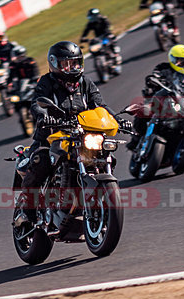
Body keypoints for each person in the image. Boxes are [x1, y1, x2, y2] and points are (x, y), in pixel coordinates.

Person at [15, 41, 123, 225]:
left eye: (75, 62)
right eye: (66, 63)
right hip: (50, 135)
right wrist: (43, 115)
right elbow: (37, 103)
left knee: (105, 154)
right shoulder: (46, 82)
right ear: (54, 64)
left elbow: (99, 105)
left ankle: (93, 196)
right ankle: (28, 212)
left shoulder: (85, 82)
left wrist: (118, 120)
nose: (71, 67)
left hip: (82, 132)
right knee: (39, 161)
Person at [126, 44, 184, 152]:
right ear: (173, 60)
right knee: (144, 111)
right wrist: (154, 80)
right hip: (161, 100)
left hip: (182, 104)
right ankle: (136, 138)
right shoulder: (163, 68)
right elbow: (153, 77)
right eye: (181, 61)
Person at [79, 8, 122, 72]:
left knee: (111, 39)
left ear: (96, 15)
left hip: (106, 35)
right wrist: (83, 38)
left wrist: (108, 32)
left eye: (92, 17)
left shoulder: (103, 19)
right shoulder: (91, 23)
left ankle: (115, 54)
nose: (92, 19)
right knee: (94, 46)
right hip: (98, 37)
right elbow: (86, 31)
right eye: (91, 17)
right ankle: (100, 58)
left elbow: (109, 26)